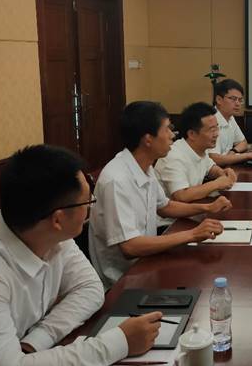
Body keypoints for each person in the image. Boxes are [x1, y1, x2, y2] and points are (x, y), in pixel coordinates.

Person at [0, 145, 162, 366]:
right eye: (87, 202)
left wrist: (36, 341)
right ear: (58, 219)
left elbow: (90, 288)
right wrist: (120, 342)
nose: (90, 209)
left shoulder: (47, 230)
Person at [89, 101, 232, 288]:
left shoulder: (144, 165)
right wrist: (192, 234)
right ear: (148, 139)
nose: (173, 135)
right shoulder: (117, 179)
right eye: (167, 129)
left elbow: (164, 206)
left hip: (149, 262)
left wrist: (207, 207)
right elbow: (130, 247)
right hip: (124, 279)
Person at [155, 102, 237, 201]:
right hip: (171, 211)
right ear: (192, 134)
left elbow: (210, 168)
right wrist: (217, 184)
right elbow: (182, 195)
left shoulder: (200, 149)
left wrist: (222, 173)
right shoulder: (173, 156)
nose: (216, 134)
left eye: (217, 128)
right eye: (212, 130)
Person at [210, 78, 252, 166]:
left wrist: (233, 151)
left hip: (226, 167)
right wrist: (249, 155)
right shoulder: (210, 120)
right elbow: (215, 159)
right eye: (233, 99)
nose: (237, 104)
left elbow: (243, 142)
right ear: (219, 99)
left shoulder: (230, 117)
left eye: (240, 100)